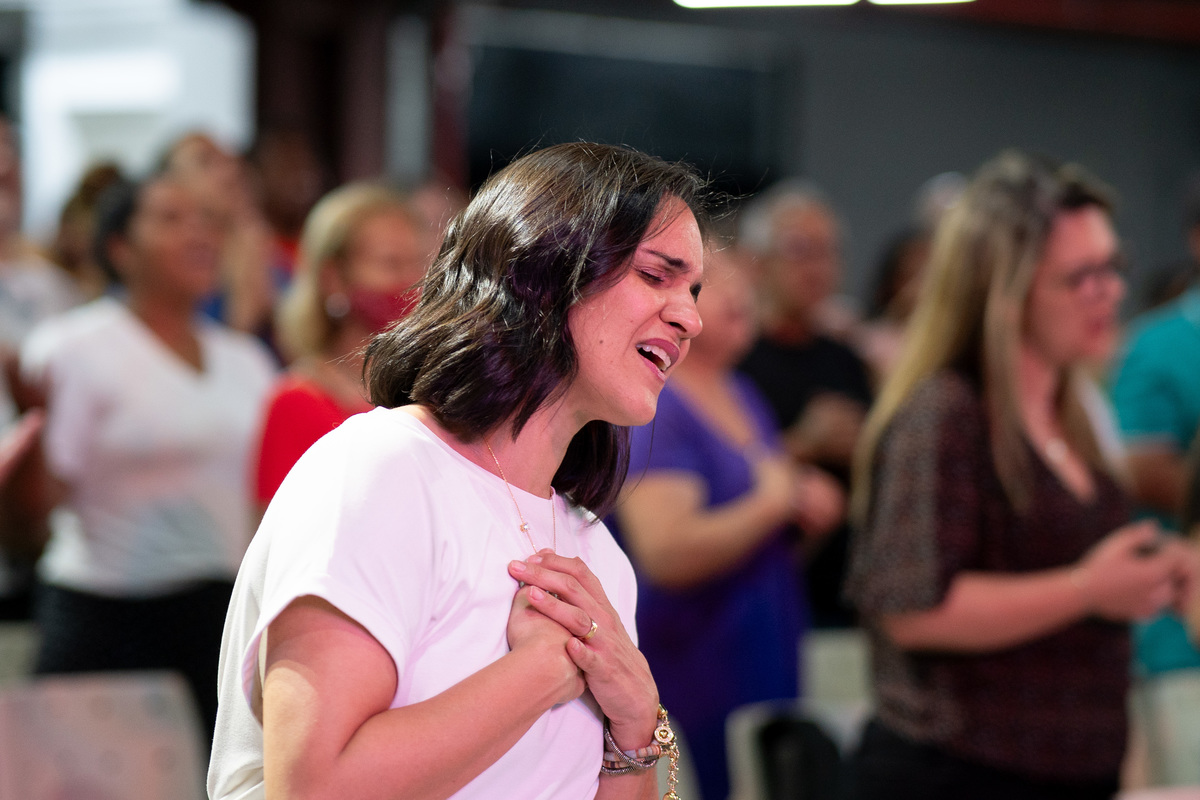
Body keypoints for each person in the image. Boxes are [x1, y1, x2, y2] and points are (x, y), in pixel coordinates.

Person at [208, 142, 710, 800]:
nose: (689, 317)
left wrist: (635, 720)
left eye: (693, 289)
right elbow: (315, 787)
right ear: (546, 267)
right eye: (657, 276)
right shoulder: (381, 470)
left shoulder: (598, 553)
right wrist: (546, 668)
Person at [844, 150, 1198, 800]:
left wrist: (1154, 565)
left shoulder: (1074, 410)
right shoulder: (947, 411)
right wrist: (1088, 588)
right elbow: (910, 610)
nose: (1112, 292)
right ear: (1006, 291)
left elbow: (1064, 555)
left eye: (1113, 267)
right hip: (958, 772)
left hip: (1069, 768)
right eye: (1081, 277)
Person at [17, 173, 277, 739]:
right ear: (120, 248)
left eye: (209, 221)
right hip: (104, 613)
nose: (200, 234)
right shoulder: (73, 348)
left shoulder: (246, 361)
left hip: (217, 616)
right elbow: (36, 509)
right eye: (171, 218)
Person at [613, 244, 841, 800]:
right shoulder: (660, 405)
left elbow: (761, 542)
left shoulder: (739, 389)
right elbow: (666, 552)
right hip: (694, 660)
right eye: (718, 284)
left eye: (746, 283)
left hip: (762, 646)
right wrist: (773, 503)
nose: (743, 295)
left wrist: (803, 521)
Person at [737, 180, 873, 628]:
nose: (818, 267)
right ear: (757, 263)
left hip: (845, 590)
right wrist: (802, 443)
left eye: (828, 252)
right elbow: (720, 471)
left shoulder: (846, 357)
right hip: (754, 584)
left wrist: (864, 447)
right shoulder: (734, 361)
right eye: (801, 251)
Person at [254, 182, 431, 509]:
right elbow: (275, 538)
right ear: (333, 277)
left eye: (417, 263)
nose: (411, 281)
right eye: (391, 264)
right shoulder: (295, 402)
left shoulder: (434, 393)